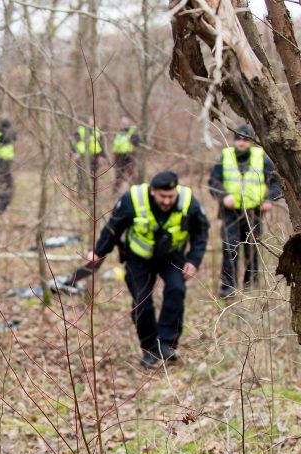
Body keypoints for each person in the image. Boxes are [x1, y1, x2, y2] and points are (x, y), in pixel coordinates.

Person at [86, 171, 210, 369]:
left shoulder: (188, 202)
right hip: (138, 258)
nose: (167, 201)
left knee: (176, 290)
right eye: (163, 196)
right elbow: (113, 228)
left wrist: (194, 261)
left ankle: (167, 344)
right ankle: (150, 348)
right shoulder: (132, 199)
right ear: (153, 191)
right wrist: (98, 252)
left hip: (171, 256)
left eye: (171, 196)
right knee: (142, 303)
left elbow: (201, 232)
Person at [208, 124, 282, 298]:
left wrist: (269, 199)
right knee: (229, 248)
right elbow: (213, 182)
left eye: (245, 139)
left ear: (251, 141)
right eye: (238, 139)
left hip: (254, 211)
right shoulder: (224, 158)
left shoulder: (262, 159)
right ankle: (228, 288)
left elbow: (276, 182)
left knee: (252, 249)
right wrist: (224, 196)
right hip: (230, 212)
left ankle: (251, 286)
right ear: (234, 141)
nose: (241, 143)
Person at [71, 117, 106, 194]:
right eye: (90, 119)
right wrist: (75, 153)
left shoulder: (97, 131)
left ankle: (93, 195)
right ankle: (81, 194)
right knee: (81, 176)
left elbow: (102, 144)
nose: (91, 121)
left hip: (95, 156)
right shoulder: (80, 130)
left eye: (93, 119)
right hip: (82, 157)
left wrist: (102, 156)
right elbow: (73, 142)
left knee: (93, 176)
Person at [0, 119, 16, 214]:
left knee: (8, 184)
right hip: (1, 161)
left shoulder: (3, 134)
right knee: (4, 185)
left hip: (6, 162)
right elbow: (7, 138)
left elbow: (14, 137)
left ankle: (2, 207)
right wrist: (10, 132)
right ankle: (0, 208)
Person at [112, 116, 140, 190]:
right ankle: (114, 192)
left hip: (129, 155)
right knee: (118, 175)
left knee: (131, 174)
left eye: (125, 121)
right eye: (122, 122)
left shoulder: (133, 131)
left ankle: (135, 190)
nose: (124, 123)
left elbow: (137, 143)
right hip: (118, 156)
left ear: (129, 121)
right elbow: (115, 144)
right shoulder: (118, 132)